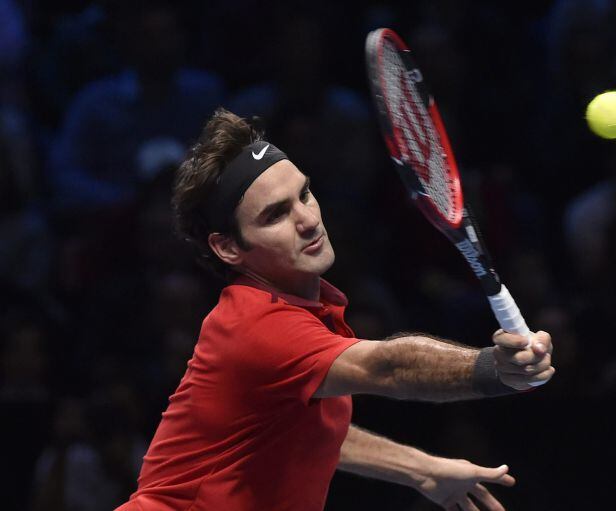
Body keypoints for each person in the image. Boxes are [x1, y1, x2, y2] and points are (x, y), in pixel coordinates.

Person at [116, 108, 555, 511]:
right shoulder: (255, 326)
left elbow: (312, 432)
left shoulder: (308, 310)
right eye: (276, 215)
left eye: (304, 194)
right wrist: (493, 367)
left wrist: (421, 468)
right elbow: (389, 367)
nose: (307, 219)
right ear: (228, 246)